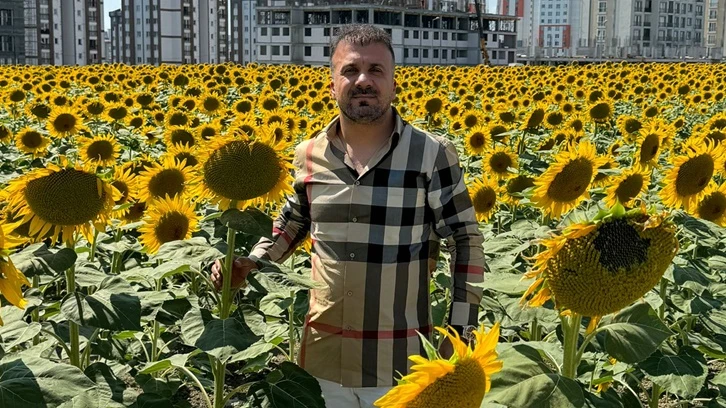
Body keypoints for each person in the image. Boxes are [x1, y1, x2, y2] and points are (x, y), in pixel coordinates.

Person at [211, 24, 486, 408]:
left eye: (376, 70)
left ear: (393, 85)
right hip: (323, 360)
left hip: (399, 362)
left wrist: (461, 331)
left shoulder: (430, 154)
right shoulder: (309, 154)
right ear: (332, 85)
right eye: (350, 70)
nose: (363, 80)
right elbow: (293, 222)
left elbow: (464, 239)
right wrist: (252, 262)